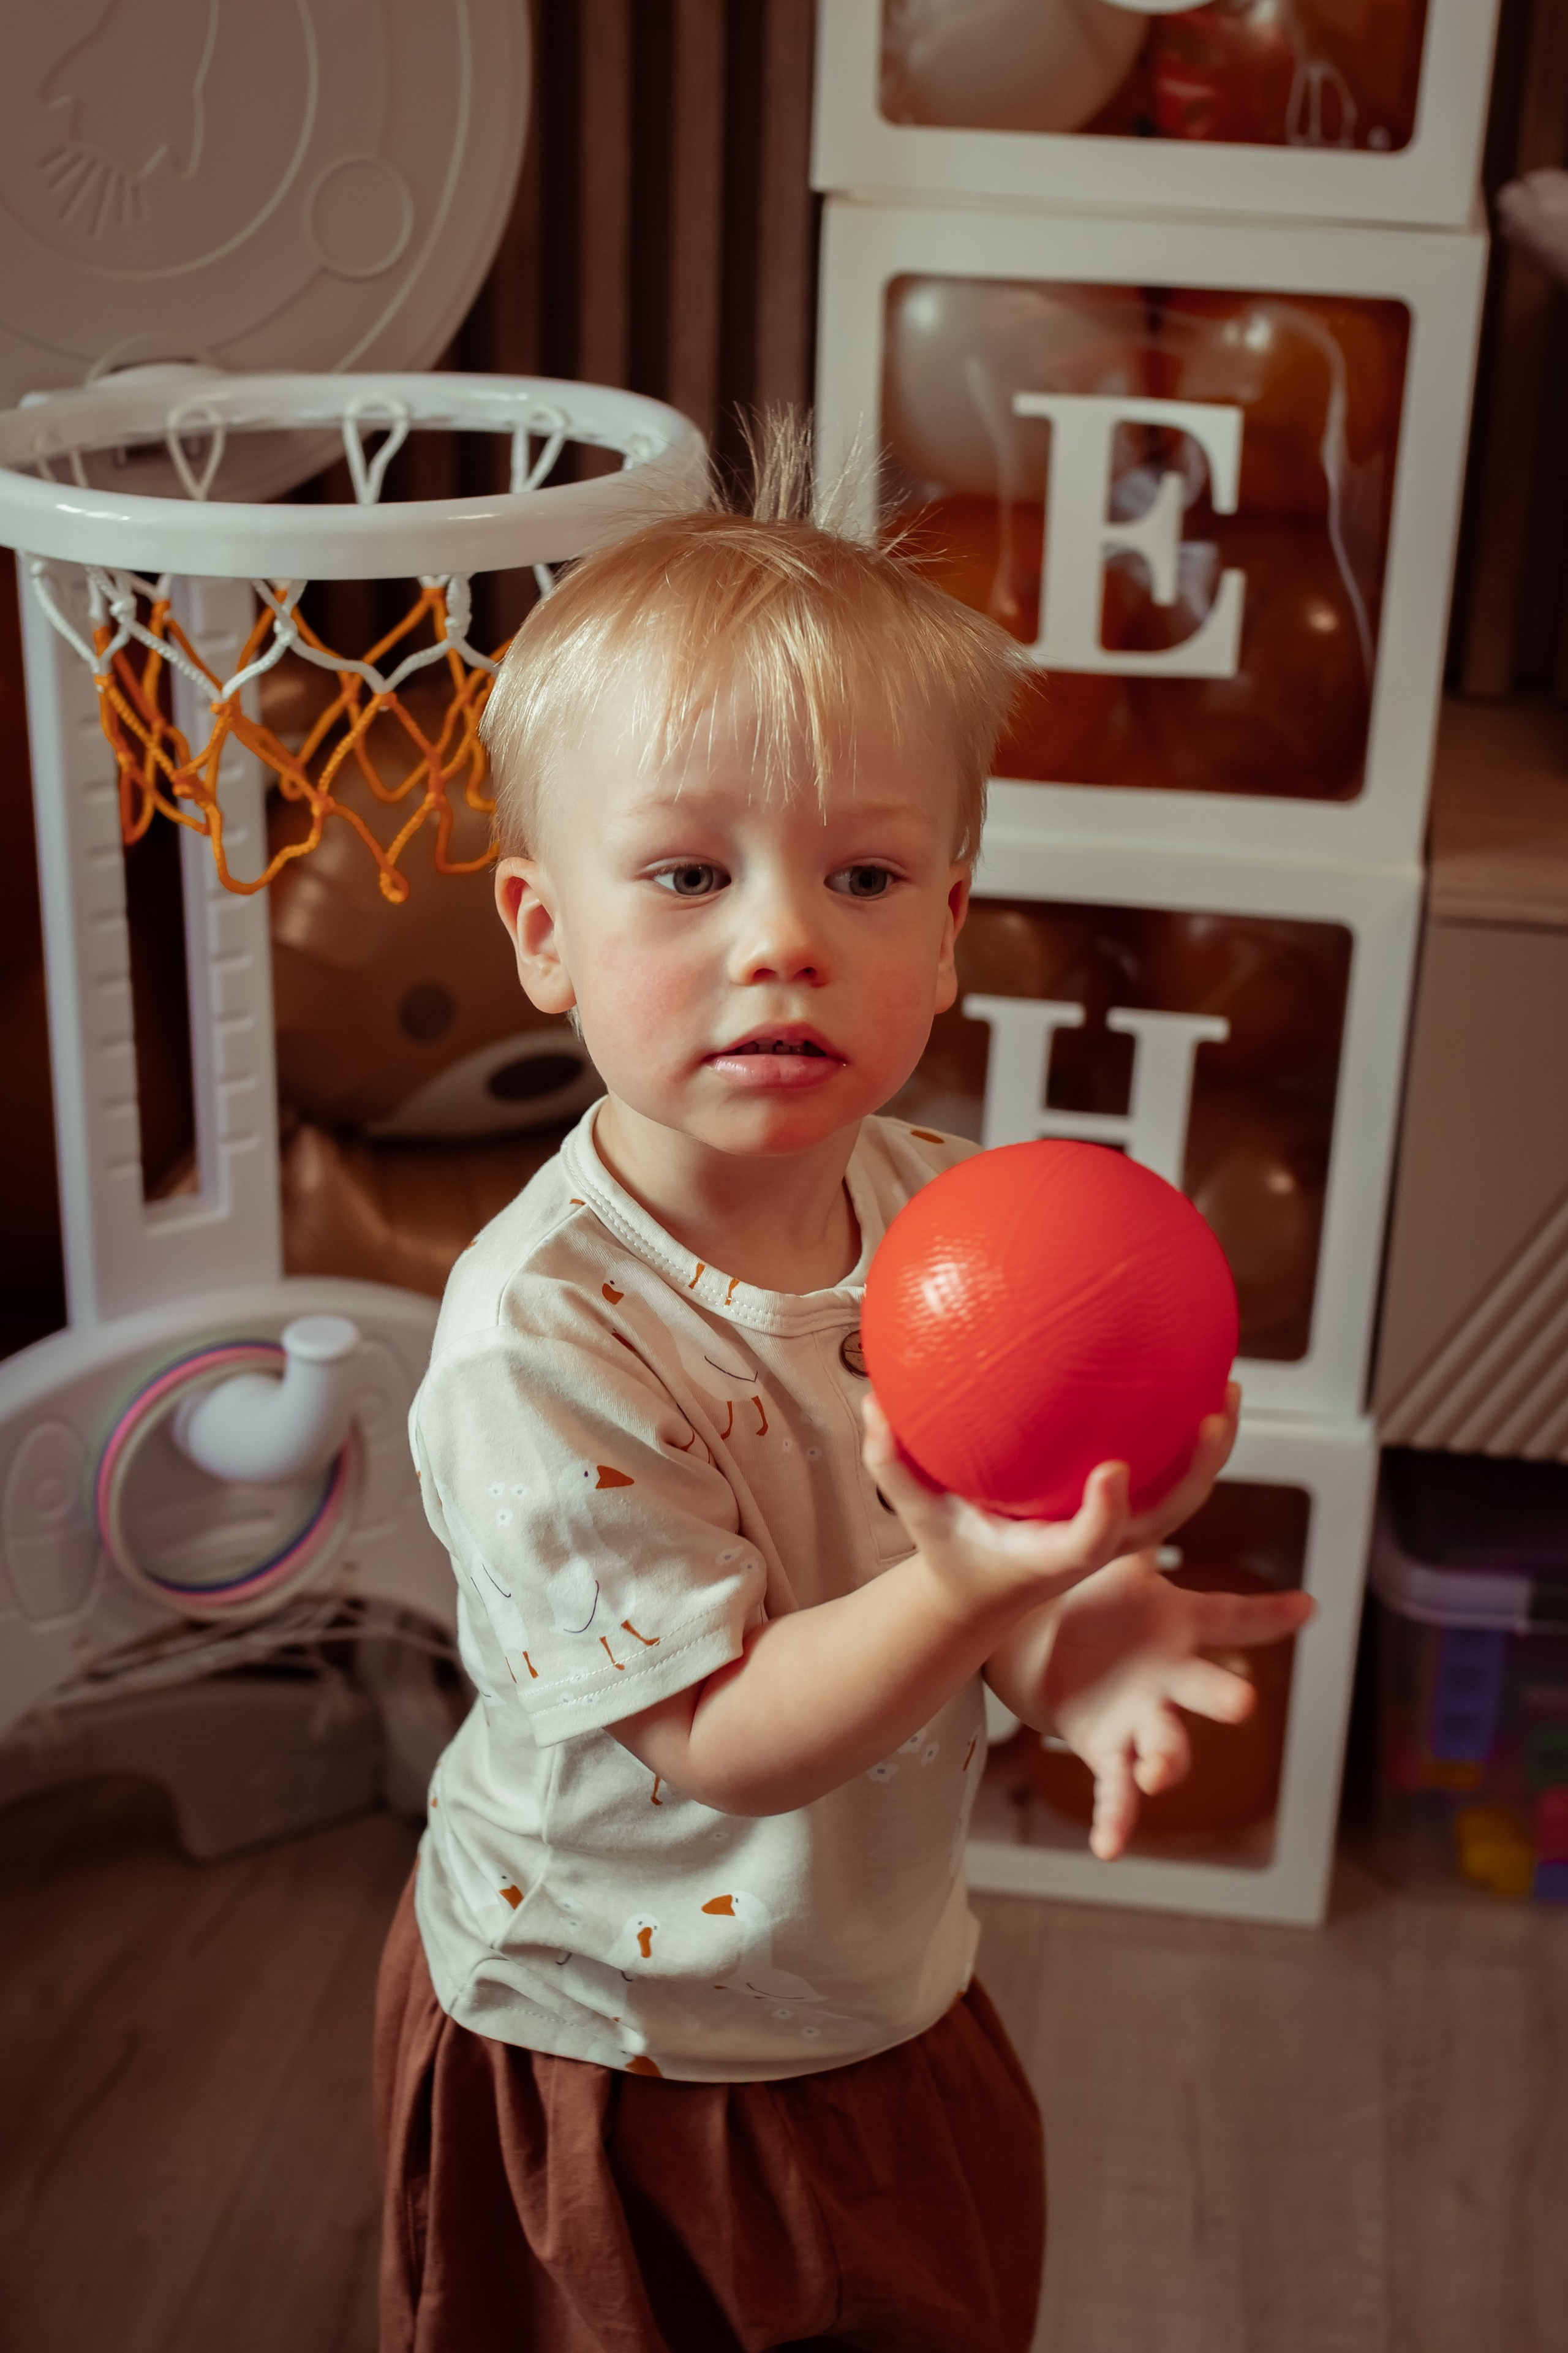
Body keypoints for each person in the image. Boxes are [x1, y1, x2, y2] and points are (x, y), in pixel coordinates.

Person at [374, 421, 1313, 2353]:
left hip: (871, 1988)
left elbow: (967, 1549)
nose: (786, 939)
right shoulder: (540, 1335)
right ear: (546, 933)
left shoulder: (950, 1219)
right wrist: (982, 1585)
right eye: (688, 872)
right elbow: (724, 1730)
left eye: (864, 873)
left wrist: (1075, 1626)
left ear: (949, 929)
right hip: (610, 2038)